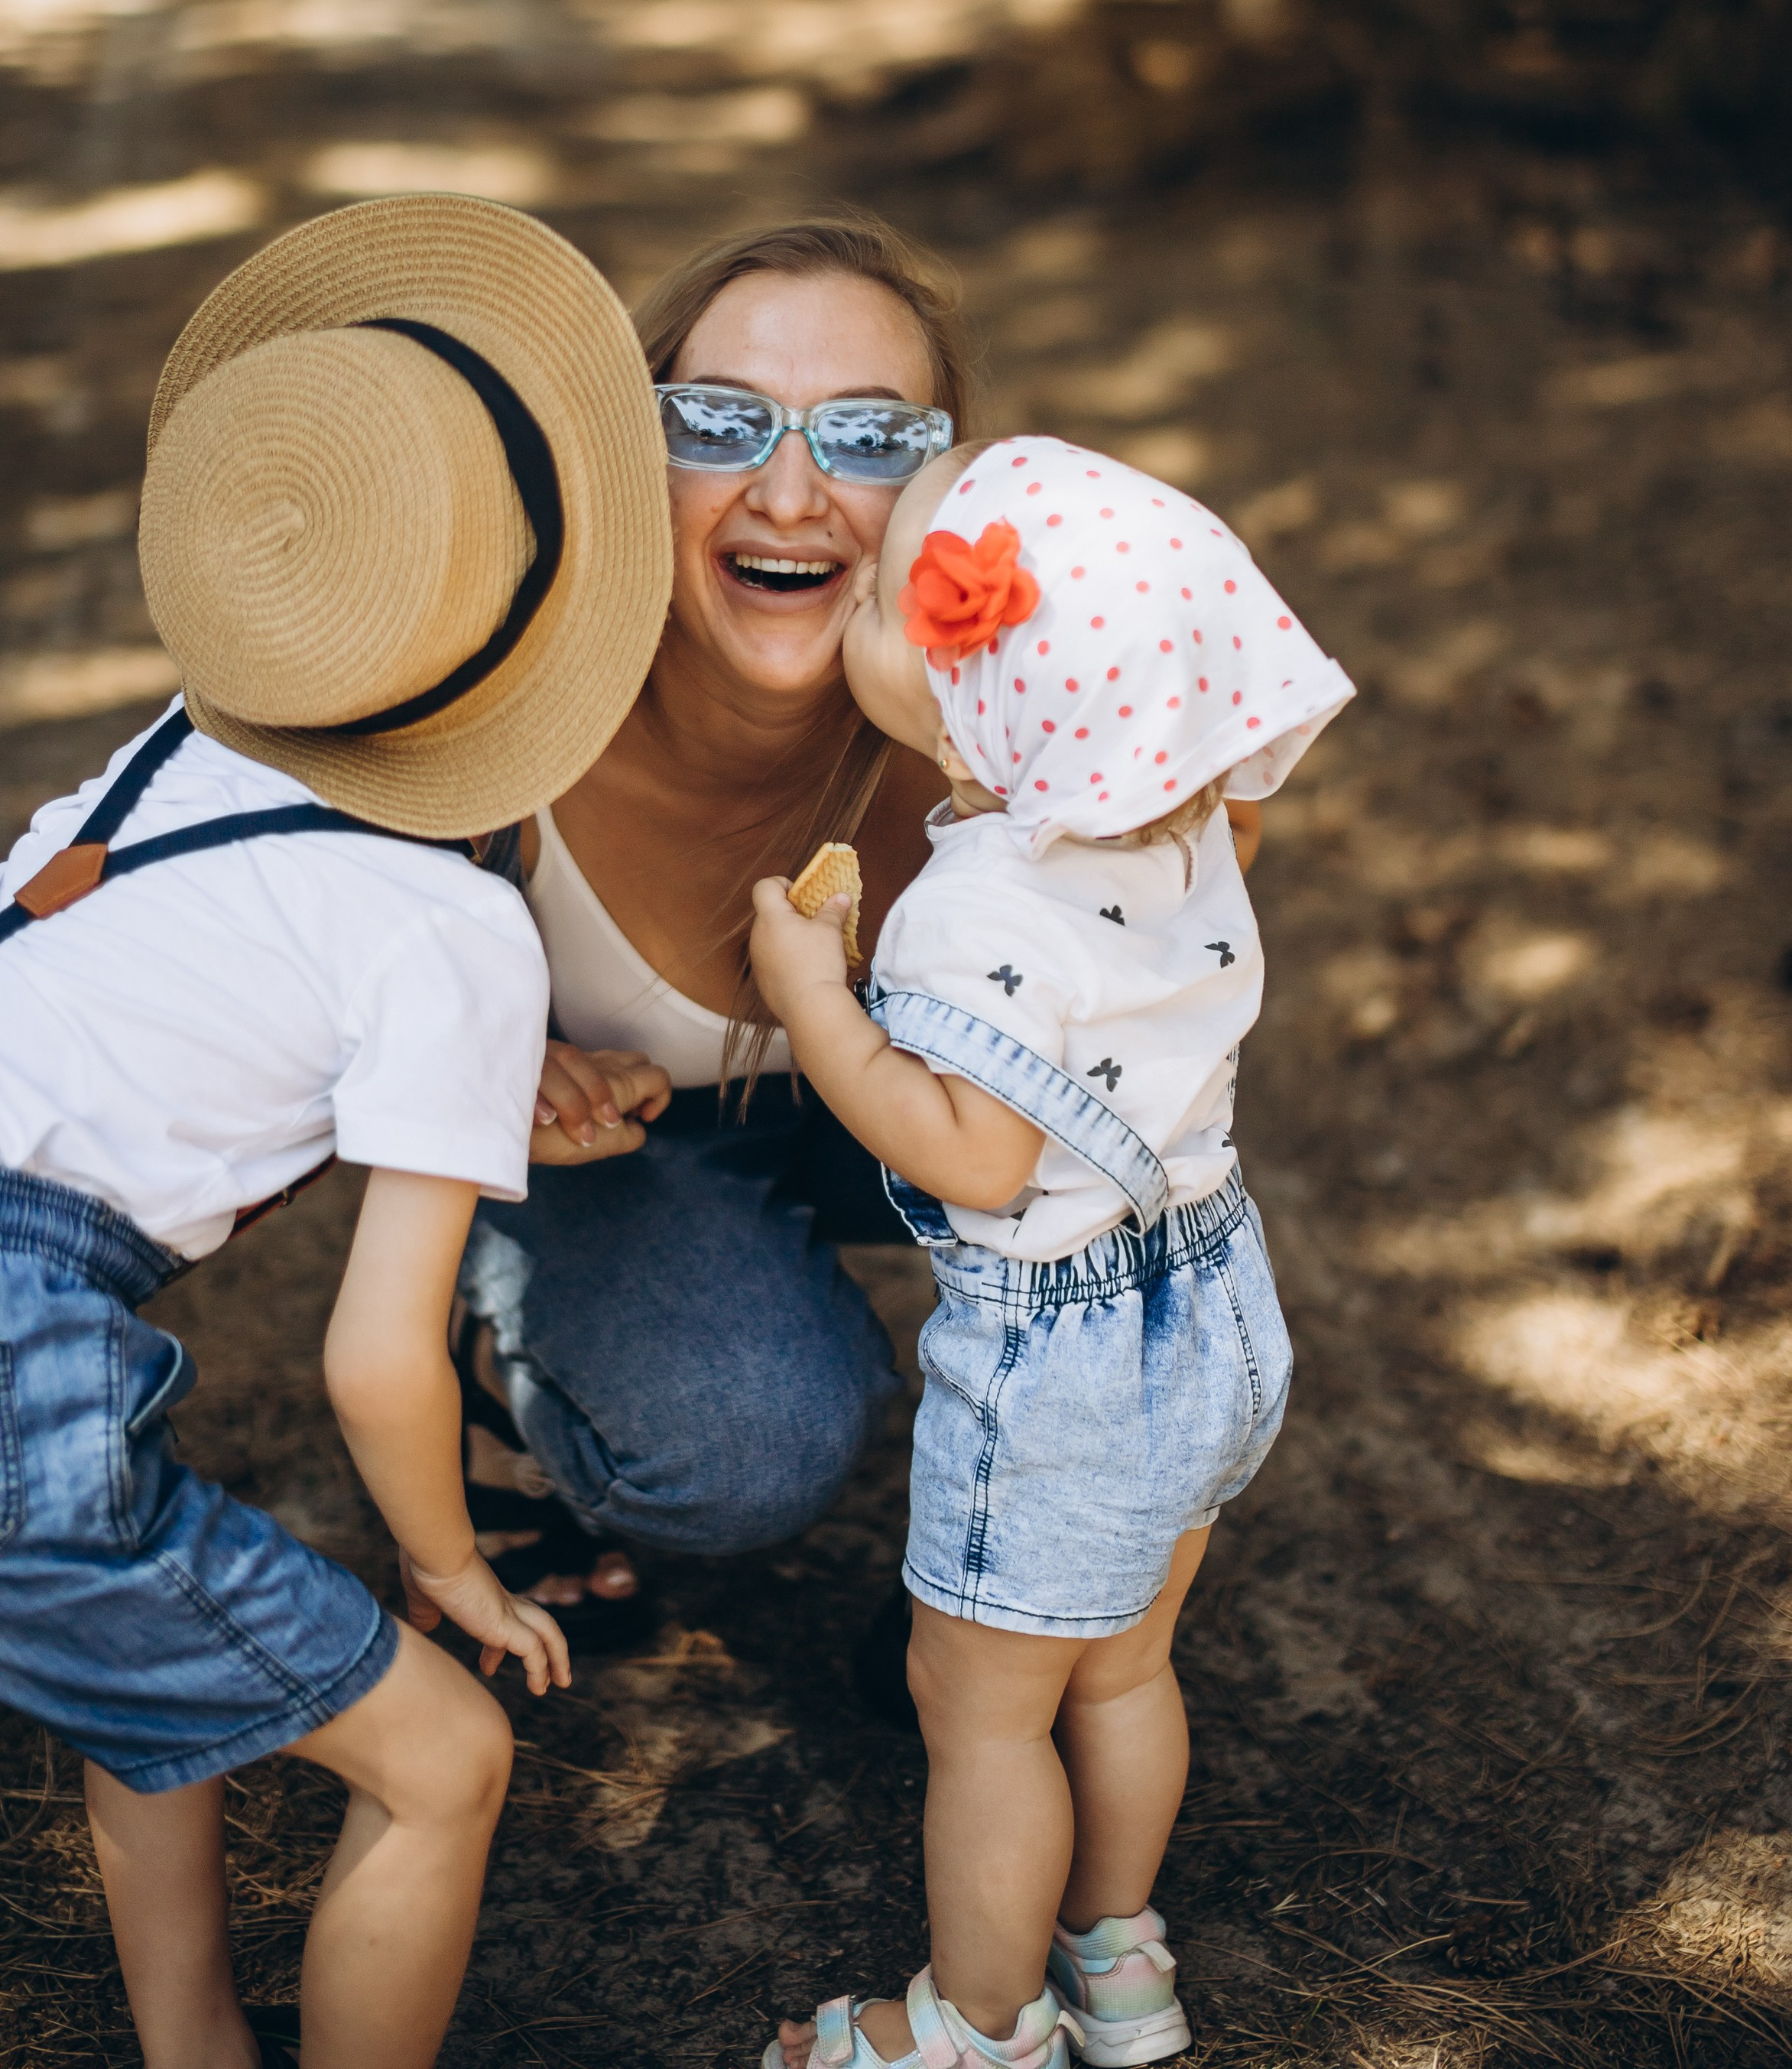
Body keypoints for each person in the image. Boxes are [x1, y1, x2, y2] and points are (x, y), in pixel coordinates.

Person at [0, 193, 674, 2069]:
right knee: (443, 1760)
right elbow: (379, 1361)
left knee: (161, 1681)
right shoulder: (449, 924)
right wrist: (450, 1567)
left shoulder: (167, 756)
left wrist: (483, 1074)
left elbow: (172, 1011)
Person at [748, 434, 1355, 2069]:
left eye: (882, 596)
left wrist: (813, 997)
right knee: (1127, 1672)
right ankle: (1120, 1966)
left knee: (982, 1715)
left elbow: (974, 1154)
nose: (858, 592)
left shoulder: (973, 912)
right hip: (1214, 1305)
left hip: (1063, 1365)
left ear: (967, 718)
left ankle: (976, 2024)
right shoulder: (1193, 827)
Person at [454, 215, 979, 1645]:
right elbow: (283, 953)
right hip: (613, 1151)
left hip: (896, 1118)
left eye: (868, 437)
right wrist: (486, 1063)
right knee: (742, 1442)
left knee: (1133, 1204)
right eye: (718, 423)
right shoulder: (503, 696)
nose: (791, 495)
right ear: (637, 456)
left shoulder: (1003, 714)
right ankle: (494, 1363)